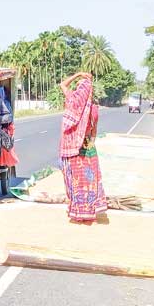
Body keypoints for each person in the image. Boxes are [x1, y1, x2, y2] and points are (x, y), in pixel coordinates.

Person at [59, 72, 107, 224]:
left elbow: (62, 85)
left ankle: (77, 212)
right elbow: (94, 131)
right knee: (89, 180)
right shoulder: (93, 109)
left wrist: (78, 74)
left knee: (75, 180)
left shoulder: (72, 101)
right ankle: (90, 212)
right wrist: (90, 146)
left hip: (72, 148)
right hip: (88, 147)